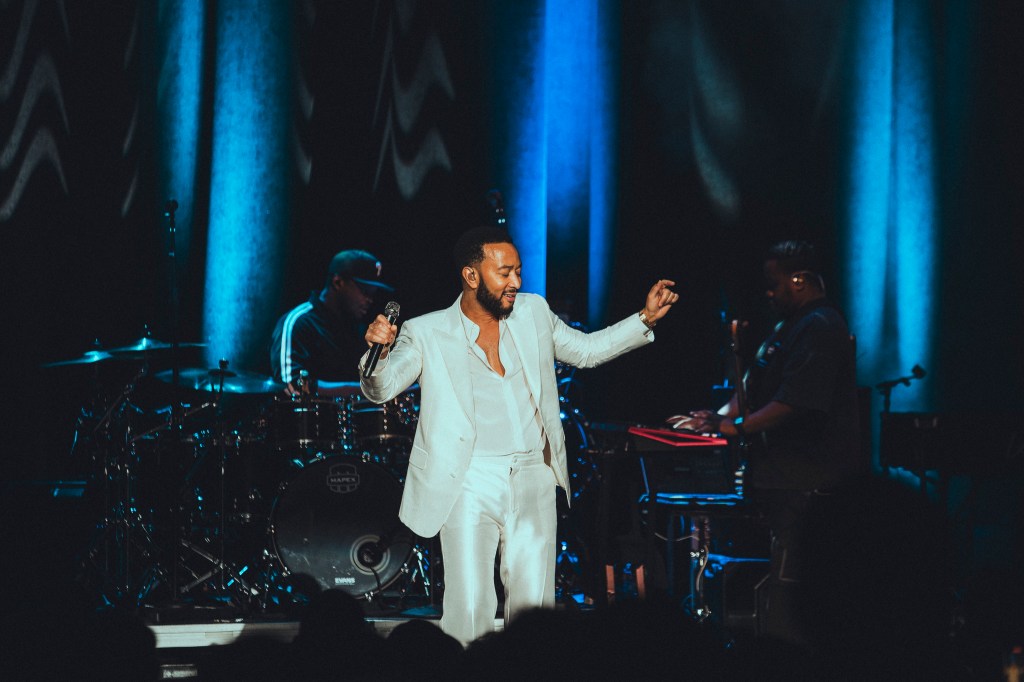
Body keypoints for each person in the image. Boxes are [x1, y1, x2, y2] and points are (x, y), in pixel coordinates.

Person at [360, 226, 678, 645]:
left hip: (534, 475)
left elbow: (585, 351)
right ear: (471, 276)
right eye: (504, 272)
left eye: (518, 271)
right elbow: (380, 388)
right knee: (470, 606)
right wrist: (376, 352)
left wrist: (645, 318)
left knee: (534, 611)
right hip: (468, 481)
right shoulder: (427, 331)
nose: (516, 282)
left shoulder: (533, 312)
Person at [669, 239, 863, 644]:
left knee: (791, 588)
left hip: (808, 481)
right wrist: (711, 420)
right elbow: (751, 389)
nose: (768, 293)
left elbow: (795, 403)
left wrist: (735, 428)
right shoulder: (785, 328)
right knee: (775, 580)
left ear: (799, 280)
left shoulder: (822, 327)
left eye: (774, 284)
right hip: (779, 479)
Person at [269, 249, 394, 395]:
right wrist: (369, 391)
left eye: (373, 294)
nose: (369, 300)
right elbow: (291, 386)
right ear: (338, 282)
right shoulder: (298, 323)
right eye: (365, 291)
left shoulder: (357, 329)